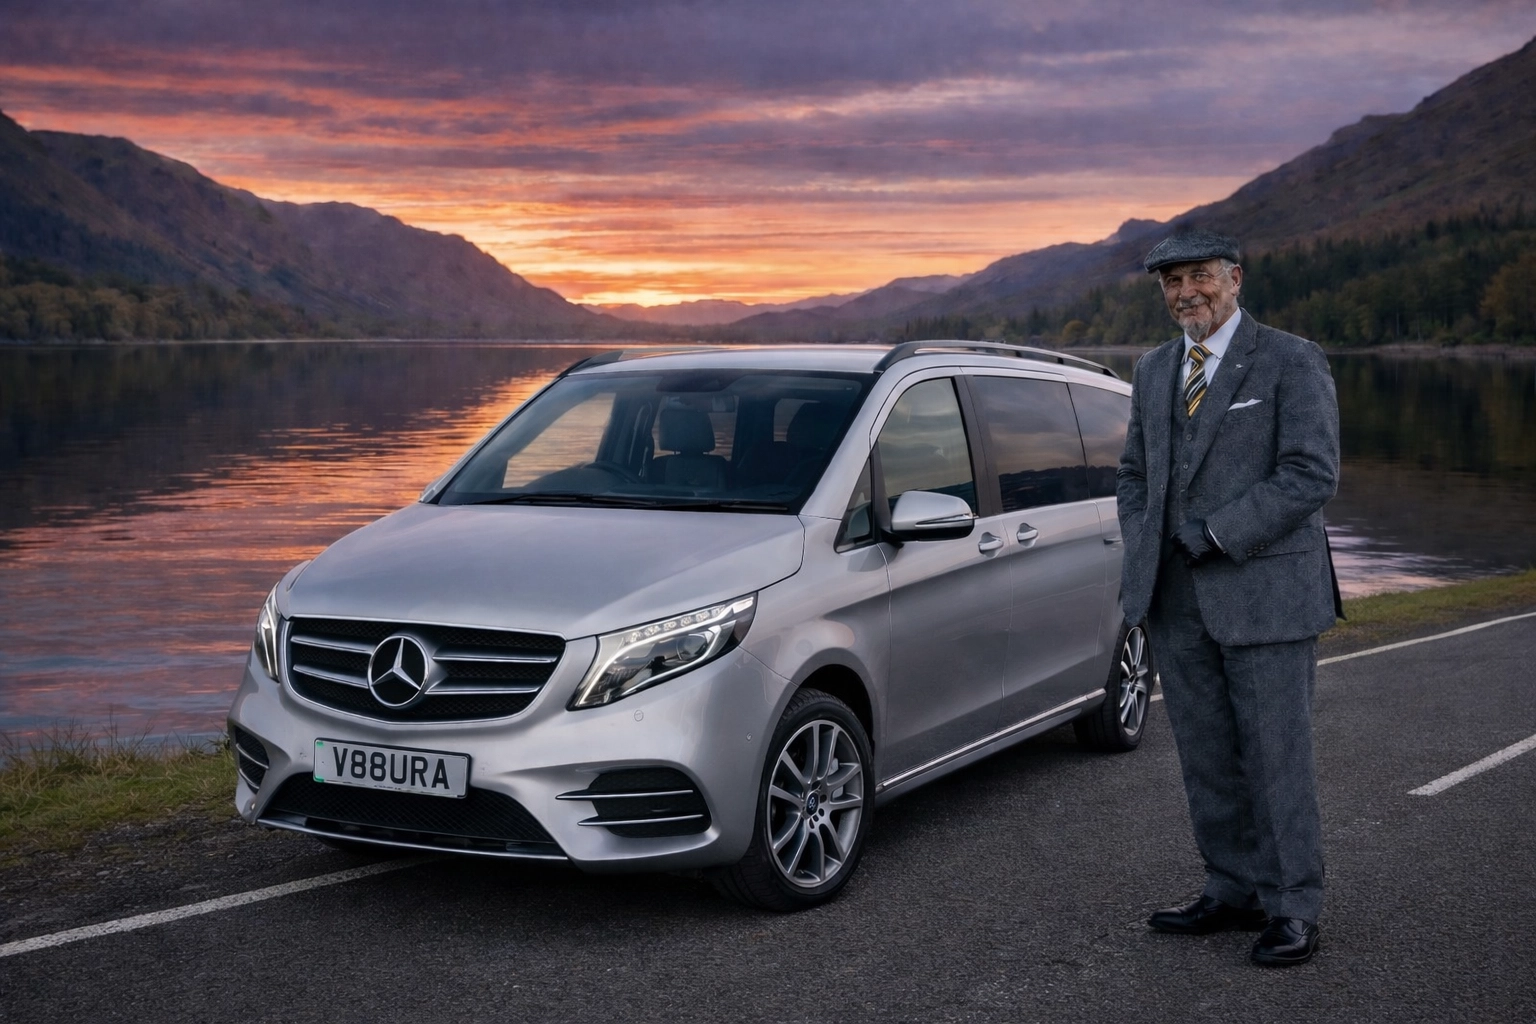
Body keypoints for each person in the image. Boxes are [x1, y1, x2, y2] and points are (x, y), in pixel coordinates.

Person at [1117, 230, 1343, 967]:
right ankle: (1231, 888)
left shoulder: (1289, 359)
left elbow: (1311, 473)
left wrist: (1214, 532)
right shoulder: (1154, 371)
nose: (1186, 293)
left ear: (1235, 278)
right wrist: (1147, 541)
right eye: (1172, 282)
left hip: (1267, 593)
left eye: (1200, 277)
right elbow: (1133, 476)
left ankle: (1292, 908)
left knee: (1276, 758)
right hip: (1175, 599)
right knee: (1207, 757)